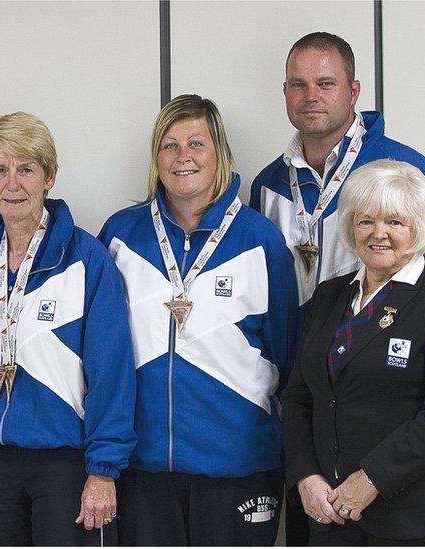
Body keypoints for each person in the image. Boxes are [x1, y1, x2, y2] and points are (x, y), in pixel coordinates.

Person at [249, 31, 425, 545]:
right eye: (298, 85)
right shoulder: (267, 185)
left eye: (326, 83)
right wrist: (304, 472)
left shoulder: (407, 168)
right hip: (306, 396)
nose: (311, 96)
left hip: (395, 479)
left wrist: (372, 479)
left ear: (354, 90)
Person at [99, 94, 299, 545]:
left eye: (196, 143)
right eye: (169, 145)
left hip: (239, 465)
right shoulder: (119, 236)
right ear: (156, 157)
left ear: (219, 153)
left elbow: (288, 353)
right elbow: (99, 354)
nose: (183, 156)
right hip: (141, 467)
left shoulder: (261, 241)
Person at [0, 112, 136, 546]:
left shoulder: (86, 260)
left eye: (26, 169)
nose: (13, 183)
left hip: (65, 464)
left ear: (49, 175)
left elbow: (112, 373)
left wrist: (103, 470)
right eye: (0, 170)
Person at [282, 159, 425, 546]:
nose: (379, 233)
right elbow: (298, 397)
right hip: (327, 515)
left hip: (406, 520)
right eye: (366, 221)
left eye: (395, 222)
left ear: (417, 228)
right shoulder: (331, 294)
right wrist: (305, 476)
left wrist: (373, 477)